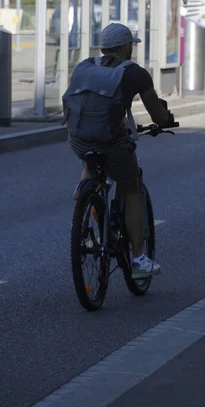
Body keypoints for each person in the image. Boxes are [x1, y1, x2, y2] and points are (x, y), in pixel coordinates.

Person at [64, 23, 175, 279]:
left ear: (103, 47)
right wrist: (166, 119)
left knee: (90, 165)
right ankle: (138, 260)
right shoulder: (135, 73)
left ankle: (85, 212)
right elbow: (156, 113)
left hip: (79, 139)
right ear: (127, 46)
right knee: (131, 185)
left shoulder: (85, 66)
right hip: (112, 141)